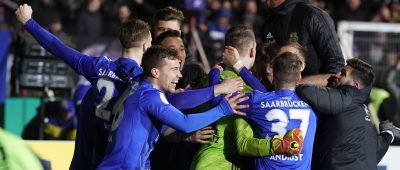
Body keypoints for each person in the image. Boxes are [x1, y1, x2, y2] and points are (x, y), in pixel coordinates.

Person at [15, 4, 242, 169]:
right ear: (146, 46)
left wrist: (29, 22)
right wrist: (216, 89)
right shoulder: (142, 81)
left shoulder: (97, 67)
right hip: (117, 157)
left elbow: (58, 47)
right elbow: (173, 105)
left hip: (89, 153)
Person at [97, 45, 248, 169]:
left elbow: (161, 131)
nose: (179, 75)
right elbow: (185, 122)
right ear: (155, 72)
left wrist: (186, 137)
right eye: (174, 69)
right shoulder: (150, 96)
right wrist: (223, 109)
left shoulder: (140, 89)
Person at [295, 58, 400, 169]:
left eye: (343, 74)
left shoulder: (345, 99)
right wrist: (388, 135)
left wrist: (325, 79)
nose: (337, 74)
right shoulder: (360, 112)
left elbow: (303, 89)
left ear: (355, 85)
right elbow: (373, 153)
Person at [262, 0, 345, 80]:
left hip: (312, 93)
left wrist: (299, 86)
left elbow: (337, 67)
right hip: (277, 92)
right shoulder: (268, 23)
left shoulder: (313, 15)